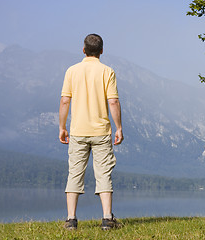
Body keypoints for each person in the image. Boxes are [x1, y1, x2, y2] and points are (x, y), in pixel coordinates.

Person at [59, 33, 124, 230]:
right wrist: (119, 127)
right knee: (104, 173)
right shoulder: (107, 72)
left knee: (75, 173)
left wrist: (62, 127)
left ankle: (71, 220)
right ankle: (107, 219)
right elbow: (112, 101)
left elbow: (64, 101)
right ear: (102, 51)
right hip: (101, 131)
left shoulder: (71, 71)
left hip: (78, 131)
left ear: (83, 49)